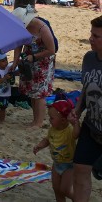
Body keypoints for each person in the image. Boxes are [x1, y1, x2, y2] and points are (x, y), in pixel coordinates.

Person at [11, 6, 57, 128]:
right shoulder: (23, 28)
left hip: (43, 63)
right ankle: (35, 120)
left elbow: (51, 50)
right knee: (32, 92)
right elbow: (18, 45)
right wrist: (15, 62)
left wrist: (35, 57)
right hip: (29, 62)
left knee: (39, 93)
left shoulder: (42, 28)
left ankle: (39, 122)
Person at [73, 16, 102, 202]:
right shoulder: (89, 58)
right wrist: (77, 110)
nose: (91, 38)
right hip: (90, 126)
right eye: (91, 34)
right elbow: (86, 88)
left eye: (96, 36)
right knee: (80, 169)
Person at [34, 99, 80, 202]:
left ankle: (79, 199)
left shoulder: (69, 130)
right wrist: (40, 146)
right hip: (57, 164)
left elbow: (77, 134)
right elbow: (47, 139)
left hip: (69, 165)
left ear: (63, 120)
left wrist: (75, 123)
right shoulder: (52, 129)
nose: (49, 120)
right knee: (56, 189)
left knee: (65, 190)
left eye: (52, 118)